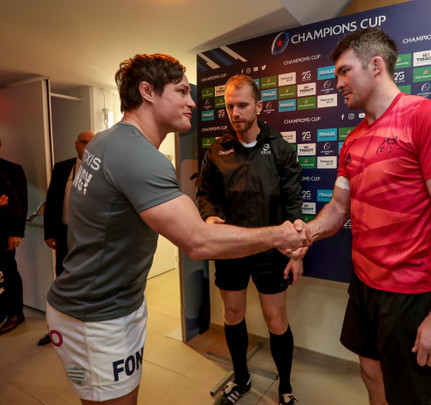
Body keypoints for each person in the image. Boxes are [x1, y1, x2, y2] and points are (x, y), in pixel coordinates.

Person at [45, 54, 310, 405]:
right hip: (97, 315)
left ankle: (285, 386)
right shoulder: (145, 156)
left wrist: (289, 248)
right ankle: (241, 379)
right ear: (147, 91)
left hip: (106, 304)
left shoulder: (104, 141)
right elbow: (198, 238)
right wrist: (281, 235)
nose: (193, 101)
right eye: (183, 91)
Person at [294, 28, 431, 405]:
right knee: (371, 374)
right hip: (364, 286)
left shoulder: (428, 117)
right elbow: (337, 210)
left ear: (375, 65)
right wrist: (305, 234)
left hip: (412, 295)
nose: (338, 83)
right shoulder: (353, 139)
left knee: (413, 397)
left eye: (344, 72)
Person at [196, 75, 302, 405]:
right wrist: (208, 214)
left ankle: (285, 388)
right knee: (232, 315)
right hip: (230, 249)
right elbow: (204, 194)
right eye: (229, 106)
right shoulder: (217, 150)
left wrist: (296, 254)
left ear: (259, 106)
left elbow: (294, 205)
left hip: (271, 251)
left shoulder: (281, 149)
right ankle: (241, 380)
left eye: (242, 105)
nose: (235, 112)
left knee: (276, 320)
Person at [37, 130, 94, 346]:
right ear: (75, 144)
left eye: (91, 142)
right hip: (63, 233)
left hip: (90, 237)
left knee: (87, 279)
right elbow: (51, 202)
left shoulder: (103, 169)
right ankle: (59, 328)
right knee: (62, 278)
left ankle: (85, 328)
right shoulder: (62, 168)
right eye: (83, 142)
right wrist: (49, 232)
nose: (87, 146)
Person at [0, 137, 28, 335]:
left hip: (4, 233)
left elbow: (19, 204)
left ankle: (15, 313)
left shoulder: (12, 169)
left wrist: (16, 232)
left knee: (8, 270)